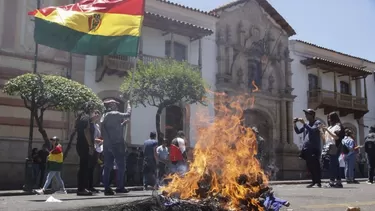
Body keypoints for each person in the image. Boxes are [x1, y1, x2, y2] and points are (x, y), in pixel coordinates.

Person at [101, 99, 131, 195]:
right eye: (115, 104)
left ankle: (106, 188)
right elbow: (128, 114)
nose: (117, 106)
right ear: (113, 106)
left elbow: (111, 129)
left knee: (107, 166)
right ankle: (120, 187)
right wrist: (129, 104)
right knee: (121, 166)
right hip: (117, 144)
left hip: (107, 144)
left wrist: (122, 124)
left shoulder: (104, 116)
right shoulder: (115, 113)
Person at [294, 109, 322, 188]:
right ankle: (313, 181)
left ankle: (318, 182)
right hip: (306, 148)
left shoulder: (317, 123)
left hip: (314, 148)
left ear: (312, 115)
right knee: (309, 166)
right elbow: (298, 131)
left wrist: (304, 124)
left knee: (316, 165)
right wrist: (294, 124)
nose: (306, 116)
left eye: (307, 114)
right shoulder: (306, 124)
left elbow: (313, 130)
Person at [75, 103, 97, 196]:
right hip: (85, 145)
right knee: (84, 167)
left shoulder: (80, 117)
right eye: (92, 110)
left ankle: (81, 188)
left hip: (80, 144)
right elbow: (86, 131)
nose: (93, 112)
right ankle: (81, 189)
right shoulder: (86, 117)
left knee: (83, 167)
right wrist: (90, 146)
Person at [321, 112, 344, 188]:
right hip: (328, 146)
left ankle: (332, 181)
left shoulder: (338, 126)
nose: (329, 119)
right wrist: (321, 131)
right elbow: (325, 139)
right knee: (334, 165)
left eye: (330, 118)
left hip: (334, 146)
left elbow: (337, 137)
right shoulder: (330, 127)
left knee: (332, 164)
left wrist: (327, 130)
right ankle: (338, 181)